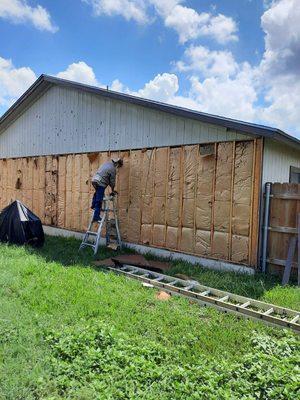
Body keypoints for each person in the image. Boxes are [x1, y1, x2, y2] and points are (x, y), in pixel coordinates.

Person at [91, 157, 123, 222]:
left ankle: (93, 205)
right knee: (99, 200)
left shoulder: (106, 164)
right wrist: (113, 190)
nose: (118, 168)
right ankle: (96, 217)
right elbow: (112, 181)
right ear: (117, 164)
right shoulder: (113, 169)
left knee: (97, 193)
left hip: (94, 180)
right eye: (118, 166)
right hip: (101, 183)